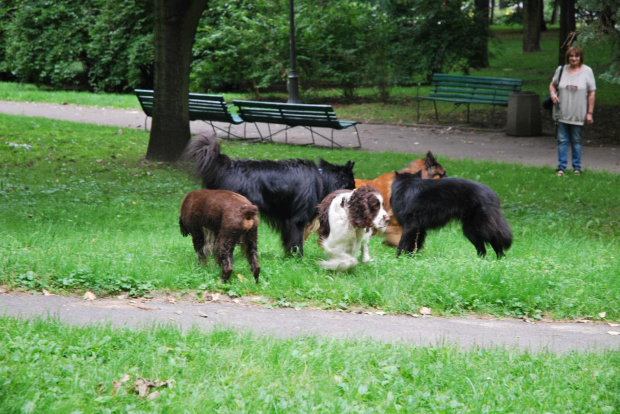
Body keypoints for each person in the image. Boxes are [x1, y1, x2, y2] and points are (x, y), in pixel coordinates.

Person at [549, 46, 596, 176]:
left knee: (576, 140)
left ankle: (577, 168)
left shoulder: (587, 71)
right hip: (562, 112)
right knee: (562, 140)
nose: (573, 58)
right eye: (571, 56)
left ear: (580, 57)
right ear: (567, 57)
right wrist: (553, 95)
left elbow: (591, 93)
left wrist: (590, 113)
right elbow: (552, 85)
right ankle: (561, 168)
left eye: (576, 56)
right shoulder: (561, 70)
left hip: (578, 113)